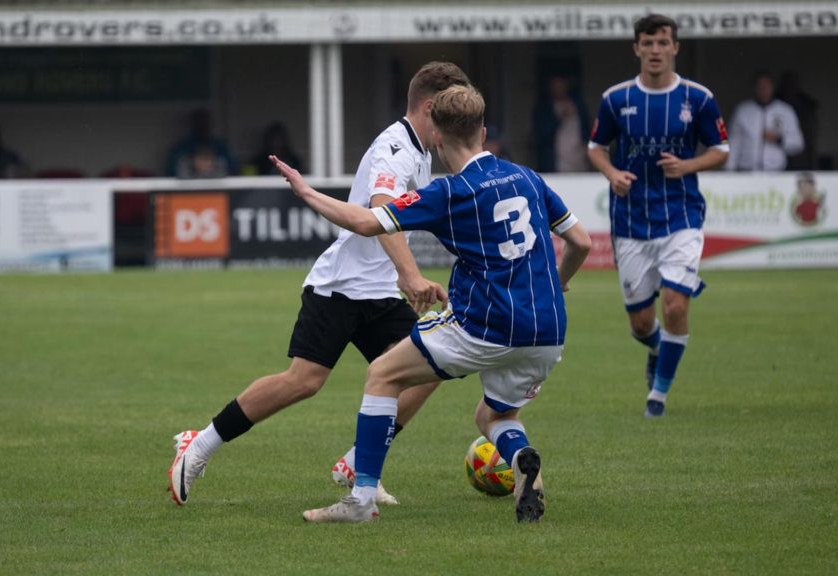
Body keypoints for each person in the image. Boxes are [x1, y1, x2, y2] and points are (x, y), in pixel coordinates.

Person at [271, 84, 592, 523]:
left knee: (383, 374)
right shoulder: (528, 177)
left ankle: (359, 500)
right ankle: (520, 459)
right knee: (493, 415)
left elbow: (367, 222)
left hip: (487, 324)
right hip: (548, 330)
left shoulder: (450, 193)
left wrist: (307, 192)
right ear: (482, 130)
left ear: (436, 138)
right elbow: (580, 241)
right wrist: (558, 282)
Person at [167, 62, 471, 508]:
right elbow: (383, 208)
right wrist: (409, 273)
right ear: (431, 106)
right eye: (452, 108)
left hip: (380, 291)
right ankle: (200, 444)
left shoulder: (424, 151)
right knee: (304, 381)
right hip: (342, 286)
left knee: (429, 369)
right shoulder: (395, 149)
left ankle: (356, 464)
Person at [587, 14, 729, 418]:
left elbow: (721, 148)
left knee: (676, 306)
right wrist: (612, 173)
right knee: (641, 323)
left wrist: (688, 165)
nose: (654, 50)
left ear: (674, 48)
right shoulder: (616, 99)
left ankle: (658, 398)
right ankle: (656, 349)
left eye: (662, 42)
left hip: (681, 213)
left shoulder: (697, 98)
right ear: (636, 48)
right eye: (647, 43)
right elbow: (596, 146)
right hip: (631, 220)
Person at [725, 70, 803, 172]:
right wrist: (728, 170)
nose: (763, 90)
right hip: (746, 171)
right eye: (760, 87)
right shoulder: (743, 110)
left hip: (775, 172)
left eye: (766, 87)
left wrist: (779, 140)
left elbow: (798, 144)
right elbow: (734, 142)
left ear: (773, 88)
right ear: (754, 88)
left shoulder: (785, 110)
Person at [533, 75, 591, 173]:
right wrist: (559, 118)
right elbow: (542, 133)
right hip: (555, 161)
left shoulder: (578, 105)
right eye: (555, 86)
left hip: (578, 158)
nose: (559, 89)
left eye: (561, 85)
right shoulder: (544, 108)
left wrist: (587, 147)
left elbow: (586, 128)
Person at [164, 109, 239, 177]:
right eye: (198, 121)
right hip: (188, 189)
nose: (201, 124)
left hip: (217, 188)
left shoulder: (219, 146)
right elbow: (171, 172)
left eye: (204, 121)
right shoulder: (183, 147)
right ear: (192, 123)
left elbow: (232, 170)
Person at [777, 71, 819, 171]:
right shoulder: (777, 102)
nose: (790, 86)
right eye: (787, 83)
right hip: (778, 155)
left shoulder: (806, 103)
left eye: (793, 83)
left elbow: (812, 127)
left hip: (804, 150)